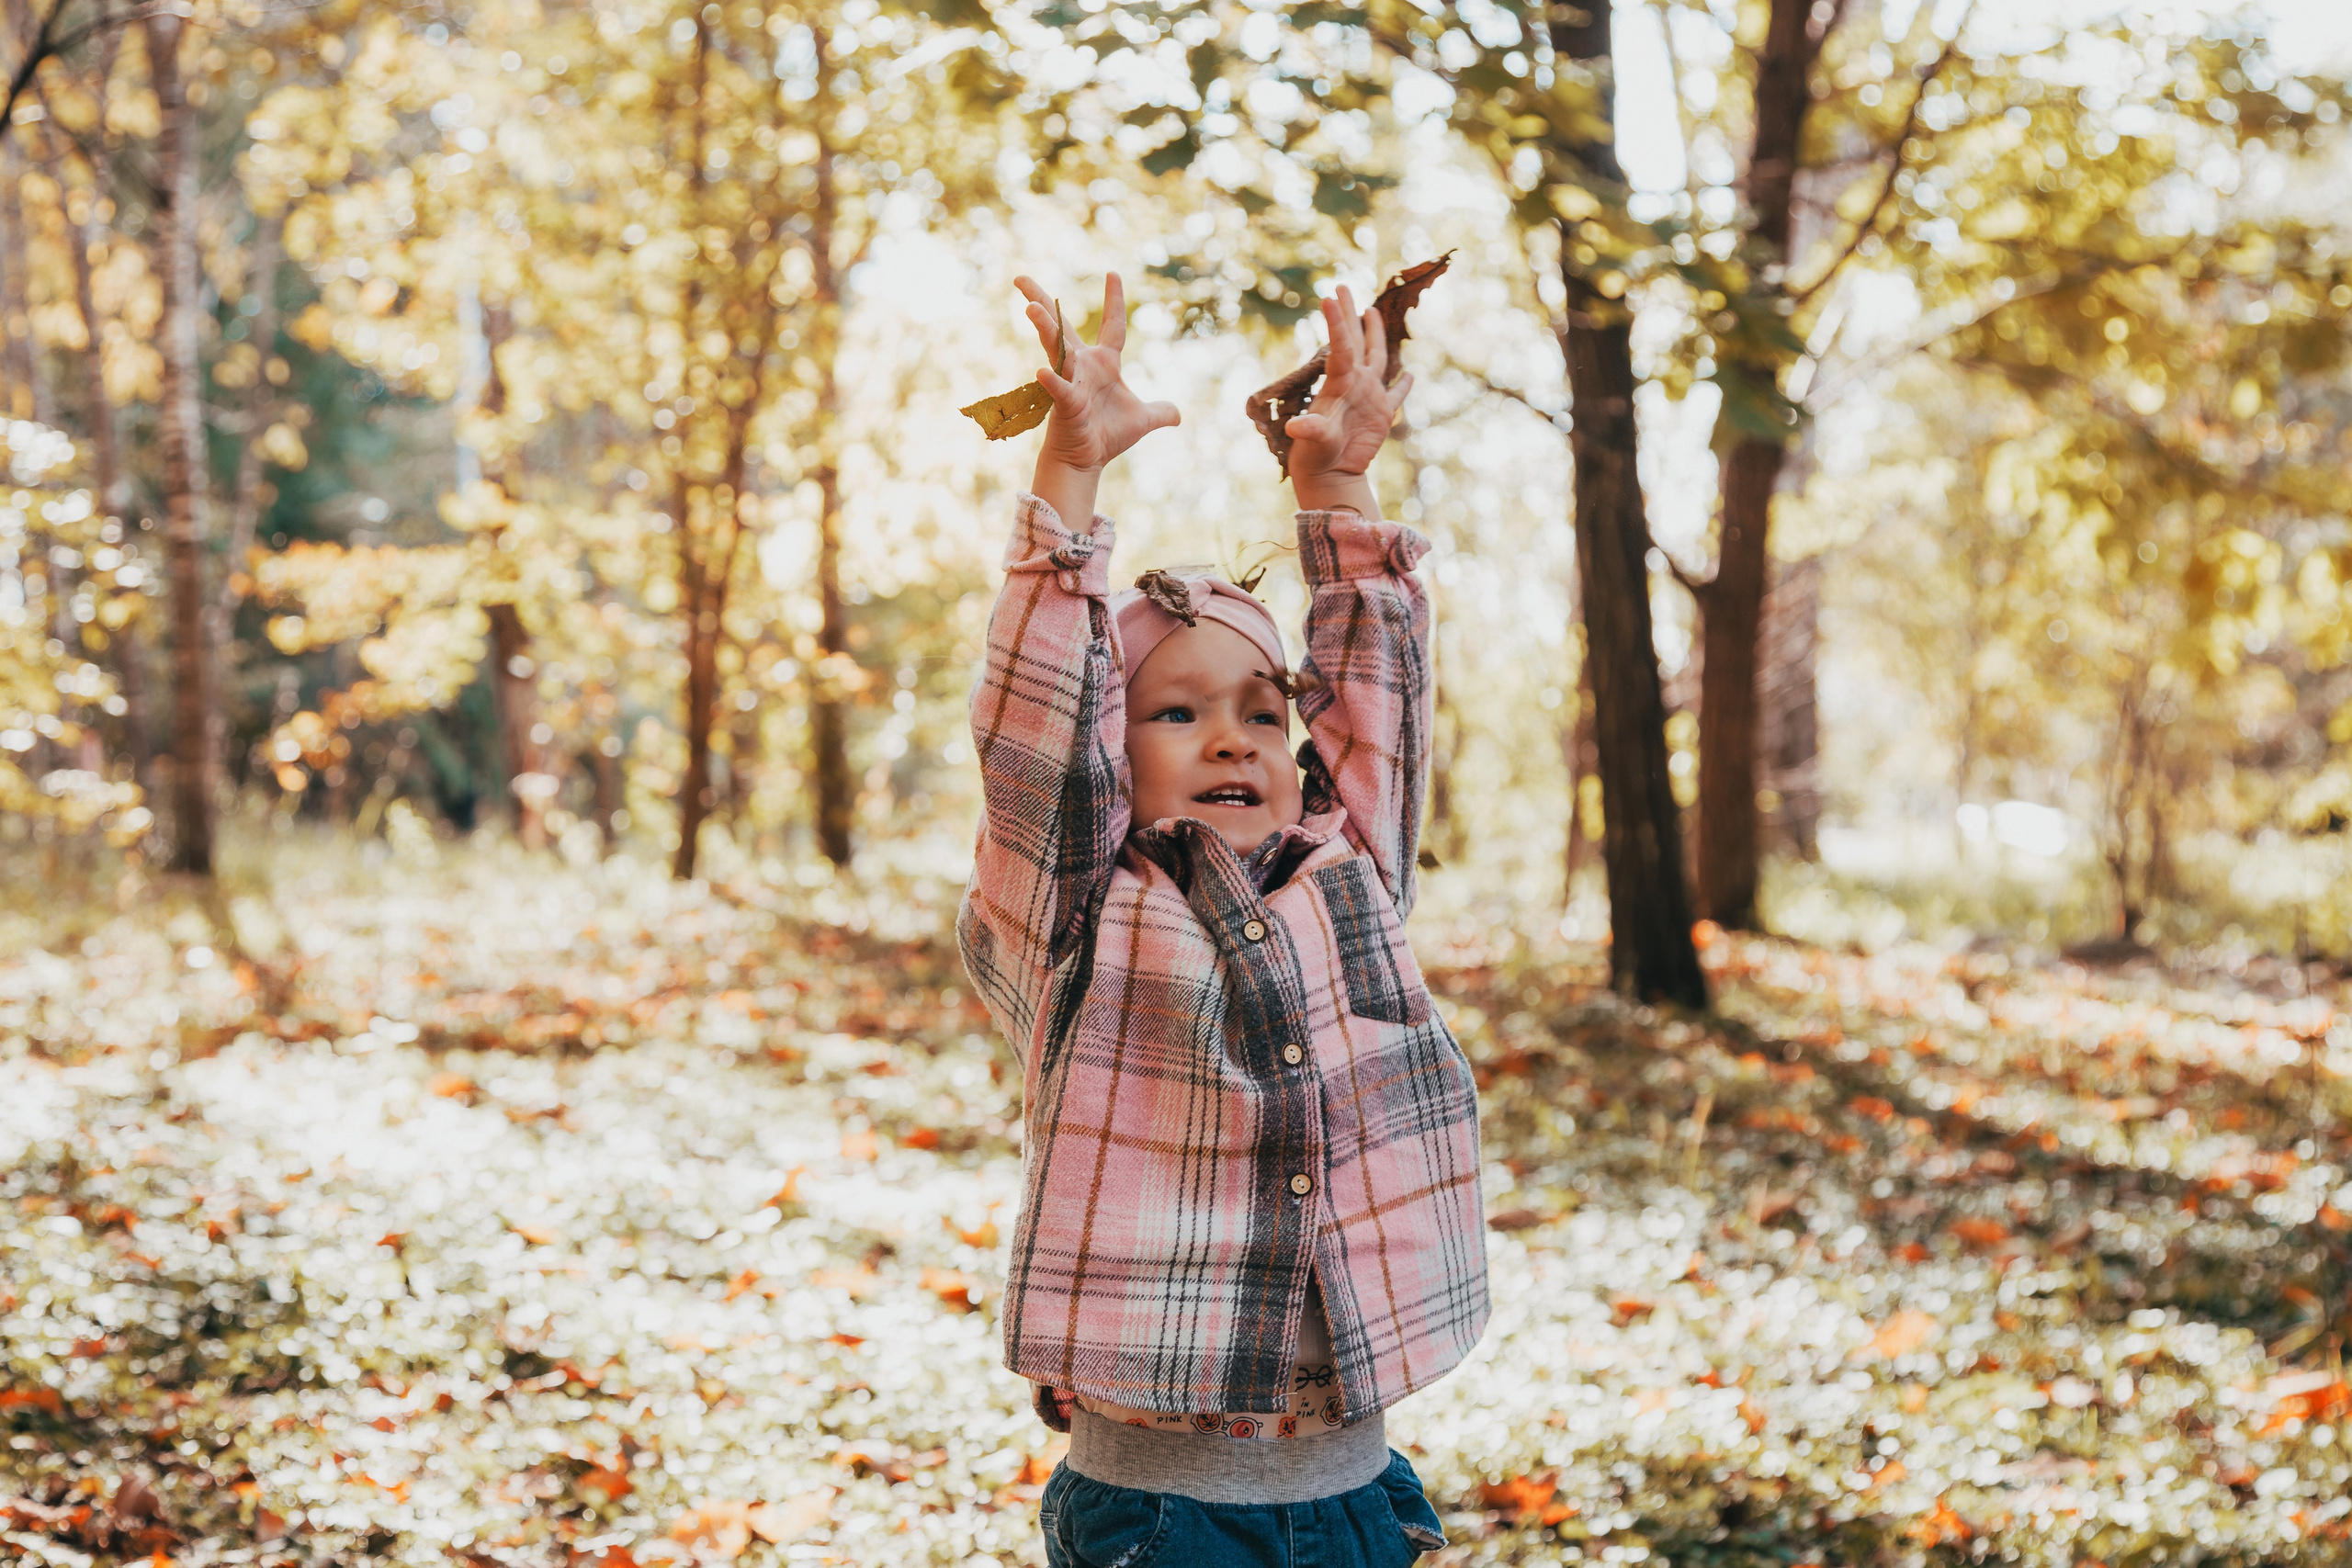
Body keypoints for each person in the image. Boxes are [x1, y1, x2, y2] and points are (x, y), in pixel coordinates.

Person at [958, 270, 1487, 1567]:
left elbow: (1377, 682)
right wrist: (1067, 475)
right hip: (1165, 1516)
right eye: (1176, 711)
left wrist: (1336, 488)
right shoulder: (1082, 906)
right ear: (1110, 741)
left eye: (1263, 709)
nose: (1234, 736)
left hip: (1359, 1489)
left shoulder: (1346, 870)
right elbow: (1034, 726)